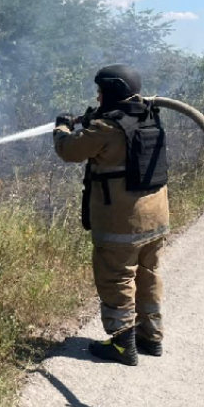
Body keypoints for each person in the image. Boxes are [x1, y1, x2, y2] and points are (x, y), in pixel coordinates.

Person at [53, 64, 170, 366]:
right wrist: (93, 117)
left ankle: (121, 344)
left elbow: (69, 150)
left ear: (111, 92)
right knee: (148, 275)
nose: (97, 95)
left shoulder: (106, 128)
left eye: (100, 91)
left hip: (123, 221)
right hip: (156, 218)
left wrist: (62, 128)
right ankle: (150, 336)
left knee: (117, 277)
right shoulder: (148, 115)